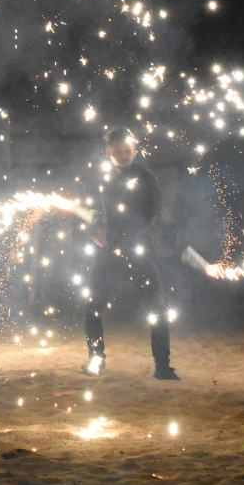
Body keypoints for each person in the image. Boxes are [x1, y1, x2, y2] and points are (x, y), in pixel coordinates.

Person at [82, 127, 178, 380]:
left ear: (134, 150)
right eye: (119, 152)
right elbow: (86, 208)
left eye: (128, 151)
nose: (124, 156)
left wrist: (133, 235)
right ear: (108, 152)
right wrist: (95, 230)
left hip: (139, 250)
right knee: (92, 306)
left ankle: (162, 366)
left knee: (157, 308)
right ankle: (95, 359)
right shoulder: (98, 179)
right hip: (107, 252)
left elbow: (155, 212)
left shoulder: (145, 177)